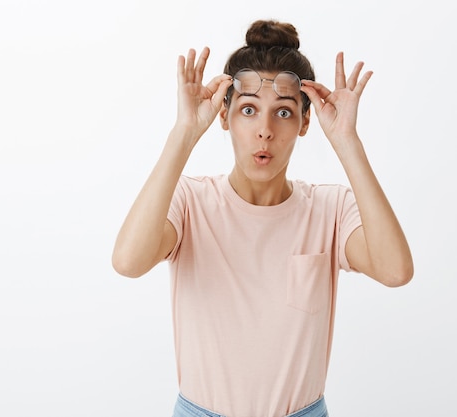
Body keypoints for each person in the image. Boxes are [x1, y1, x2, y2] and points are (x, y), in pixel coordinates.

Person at [111, 19, 413, 417]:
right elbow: (128, 262)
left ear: (306, 122)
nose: (265, 131)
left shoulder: (330, 210)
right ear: (225, 116)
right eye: (249, 110)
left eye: (284, 113)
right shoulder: (189, 200)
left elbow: (396, 271)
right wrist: (183, 132)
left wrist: (347, 142)